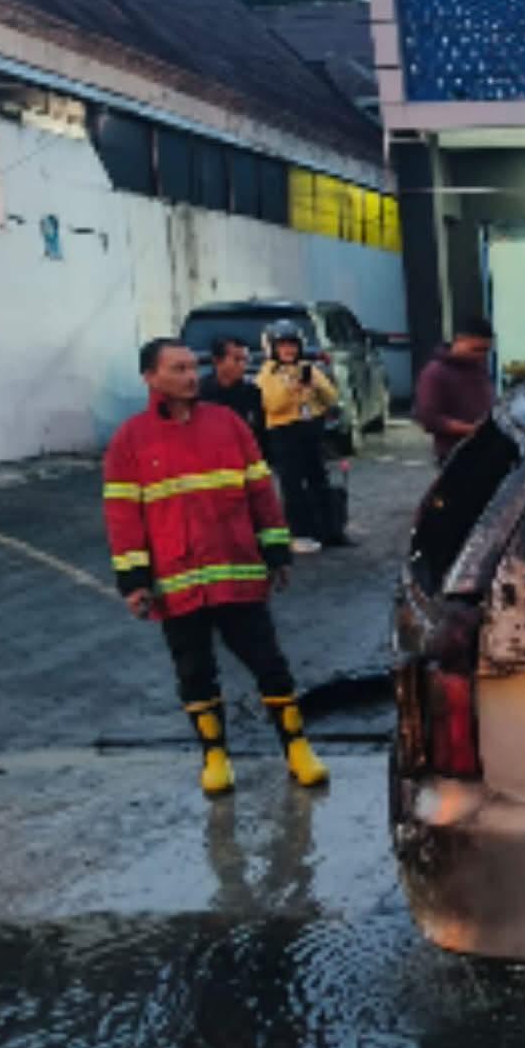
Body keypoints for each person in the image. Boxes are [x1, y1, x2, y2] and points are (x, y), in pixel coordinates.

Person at [103, 338, 330, 796]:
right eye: (178, 369)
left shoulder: (227, 425)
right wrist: (134, 581)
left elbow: (261, 493)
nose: (190, 376)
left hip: (238, 574)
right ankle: (215, 758)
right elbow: (123, 517)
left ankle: (297, 750)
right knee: (195, 674)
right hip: (176, 584)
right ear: (151, 378)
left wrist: (276, 551)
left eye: (192, 367)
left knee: (270, 665)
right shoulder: (130, 440)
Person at [257, 329, 348, 552]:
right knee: (292, 484)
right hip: (284, 432)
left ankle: (330, 530)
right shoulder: (268, 374)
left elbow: (332, 397)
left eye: (292, 346)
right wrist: (293, 390)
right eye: (283, 346)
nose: (289, 351)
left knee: (319, 479)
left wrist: (315, 386)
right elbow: (272, 404)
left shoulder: (308, 369)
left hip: (310, 429)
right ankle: (299, 532)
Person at [414, 316, 496, 464]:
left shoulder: (477, 368)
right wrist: (471, 430)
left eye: (486, 351)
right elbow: (428, 418)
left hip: (484, 451)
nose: (481, 355)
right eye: (477, 349)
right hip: (455, 455)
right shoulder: (435, 372)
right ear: (459, 340)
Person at [198, 337, 267, 459]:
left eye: (246, 360)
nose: (243, 365)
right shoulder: (200, 393)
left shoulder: (252, 392)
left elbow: (260, 432)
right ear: (217, 361)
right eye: (237, 360)